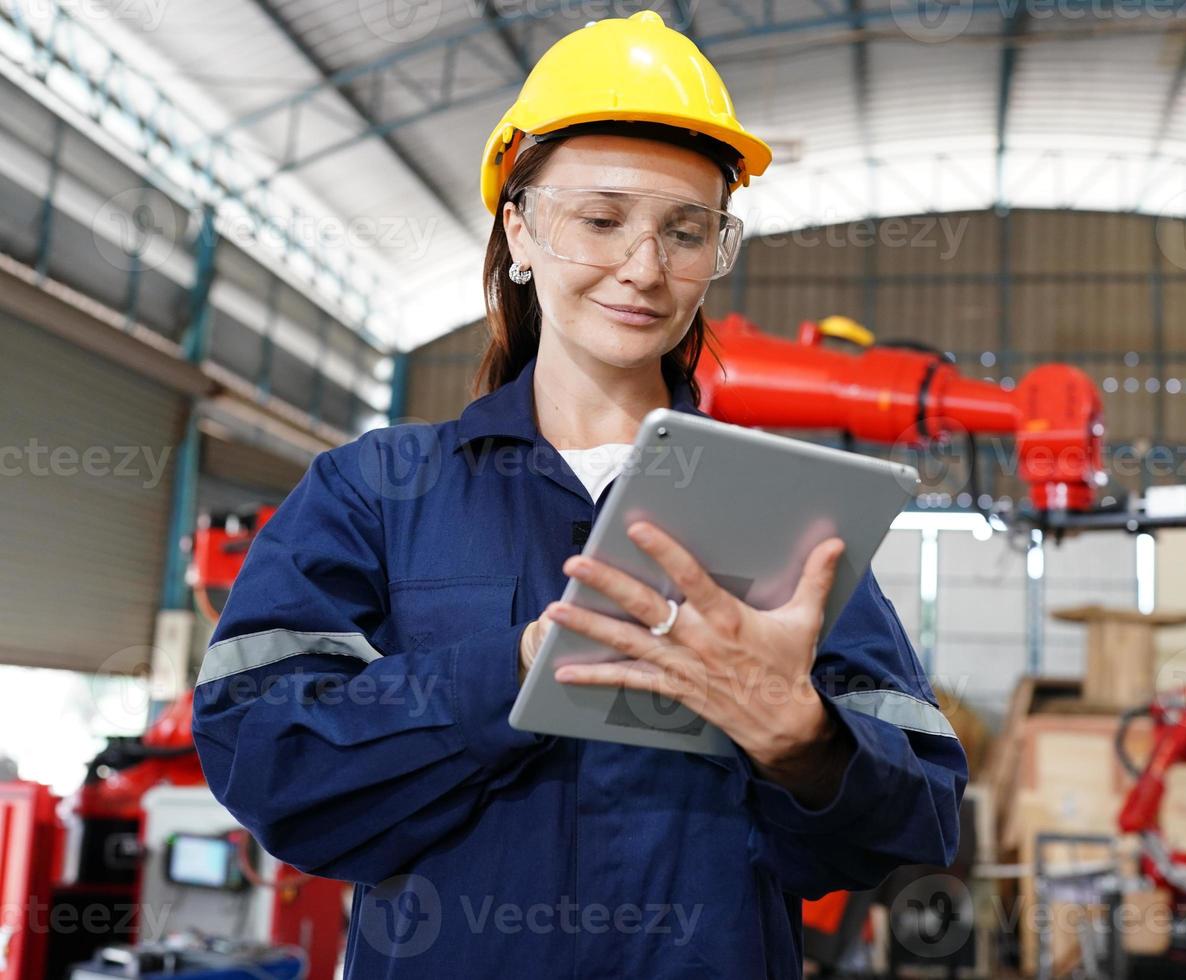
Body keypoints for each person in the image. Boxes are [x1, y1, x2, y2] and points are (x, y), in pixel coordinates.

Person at [192, 11, 967, 979]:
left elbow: (917, 814)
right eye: (601, 220)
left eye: (686, 232)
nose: (644, 268)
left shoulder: (785, 510)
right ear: (519, 226)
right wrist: (513, 667)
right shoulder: (380, 491)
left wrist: (802, 738)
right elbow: (267, 760)